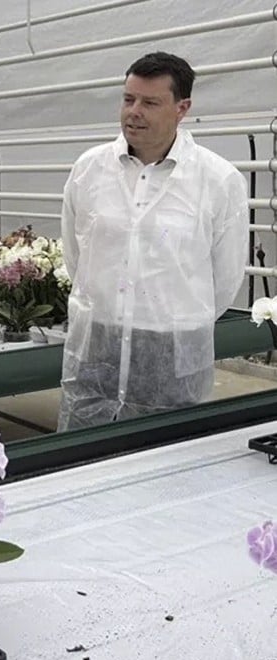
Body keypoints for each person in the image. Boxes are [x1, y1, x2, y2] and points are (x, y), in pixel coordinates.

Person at [58, 52, 249, 430]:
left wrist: (167, 322)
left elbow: (223, 282)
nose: (134, 112)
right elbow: (75, 255)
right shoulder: (89, 170)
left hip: (172, 361)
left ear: (183, 108)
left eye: (150, 102)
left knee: (167, 471)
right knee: (81, 466)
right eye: (128, 99)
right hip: (96, 349)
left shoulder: (218, 180)